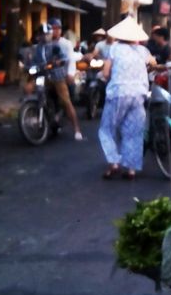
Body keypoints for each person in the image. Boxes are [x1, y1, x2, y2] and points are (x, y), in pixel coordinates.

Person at [98, 17, 156, 180]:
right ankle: (130, 169)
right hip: (139, 94)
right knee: (133, 131)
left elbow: (106, 73)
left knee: (107, 129)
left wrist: (104, 76)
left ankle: (113, 162)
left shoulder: (114, 49)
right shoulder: (143, 51)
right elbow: (154, 64)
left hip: (118, 93)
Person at [34, 20, 84, 141]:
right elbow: (34, 60)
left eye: (46, 34)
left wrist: (60, 64)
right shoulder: (37, 48)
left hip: (57, 76)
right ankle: (33, 113)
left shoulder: (57, 45)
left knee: (66, 101)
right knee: (29, 88)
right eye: (42, 34)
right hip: (43, 76)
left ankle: (77, 129)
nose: (44, 36)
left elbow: (66, 58)